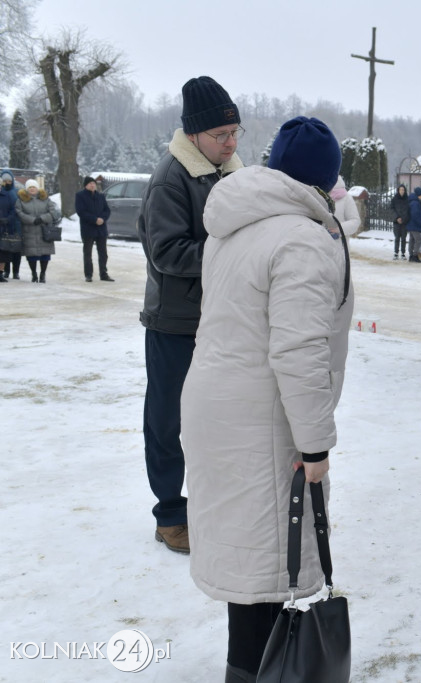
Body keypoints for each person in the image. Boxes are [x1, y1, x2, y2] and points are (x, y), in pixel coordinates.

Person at [180, 115, 353, 683]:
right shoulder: (301, 238)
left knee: (251, 568)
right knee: (266, 571)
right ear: (326, 181)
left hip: (220, 407)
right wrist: (316, 443)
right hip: (263, 421)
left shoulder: (237, 222)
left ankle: (247, 670)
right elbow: (299, 353)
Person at [138, 76, 244, 555]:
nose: (231, 142)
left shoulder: (231, 174)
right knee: (167, 422)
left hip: (217, 319)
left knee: (215, 418)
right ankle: (170, 514)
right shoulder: (170, 178)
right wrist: (230, 251)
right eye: (222, 135)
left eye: (235, 133)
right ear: (195, 135)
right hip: (173, 324)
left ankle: (210, 505)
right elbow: (166, 252)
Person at [16, 180, 61, 283]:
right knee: (31, 255)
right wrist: (32, 220)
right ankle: (34, 274)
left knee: (45, 254)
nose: (32, 189)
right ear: (27, 189)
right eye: (30, 187)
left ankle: (42, 273)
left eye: (34, 187)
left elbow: (52, 212)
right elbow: (19, 213)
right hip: (29, 231)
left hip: (44, 230)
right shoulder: (21, 200)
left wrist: (42, 218)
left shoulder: (45, 199)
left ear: (38, 188)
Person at [75, 176, 113, 282]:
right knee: (88, 253)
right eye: (90, 183)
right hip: (88, 228)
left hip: (101, 228)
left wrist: (102, 219)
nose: (92, 185)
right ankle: (88, 274)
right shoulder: (80, 196)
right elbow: (81, 212)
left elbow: (107, 210)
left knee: (103, 253)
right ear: (85, 185)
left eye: (93, 183)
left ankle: (103, 274)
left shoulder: (100, 196)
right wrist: (94, 219)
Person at [0, 170, 20, 282]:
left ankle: (11, 272)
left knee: (7, 250)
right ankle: (6, 271)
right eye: (4, 181)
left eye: (9, 180)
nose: (7, 182)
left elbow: (14, 209)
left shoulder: (12, 194)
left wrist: (8, 219)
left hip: (10, 225)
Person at [391, 184, 411, 260]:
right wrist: (397, 218)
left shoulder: (407, 199)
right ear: (398, 190)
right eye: (400, 190)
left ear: (405, 191)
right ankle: (396, 253)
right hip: (396, 222)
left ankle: (403, 253)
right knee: (397, 238)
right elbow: (392, 209)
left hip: (404, 222)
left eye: (403, 190)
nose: (402, 191)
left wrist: (404, 219)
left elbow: (409, 211)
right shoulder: (394, 199)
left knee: (403, 238)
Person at [407, 187, 421, 263]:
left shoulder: (412, 201)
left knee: (412, 240)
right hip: (414, 224)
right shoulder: (415, 203)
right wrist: (419, 223)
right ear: (419, 195)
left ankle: (411, 255)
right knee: (418, 240)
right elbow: (415, 215)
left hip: (411, 224)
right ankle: (414, 255)